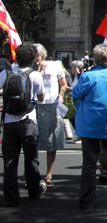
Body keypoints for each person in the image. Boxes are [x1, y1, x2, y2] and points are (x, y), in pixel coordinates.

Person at [72, 44, 107, 210]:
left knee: (89, 164)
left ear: (95, 58)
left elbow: (75, 93)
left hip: (90, 125)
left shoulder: (88, 76)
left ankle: (87, 200)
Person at [1, 43, 47, 207]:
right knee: (31, 158)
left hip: (9, 121)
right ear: (33, 58)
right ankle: (34, 191)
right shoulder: (35, 75)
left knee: (9, 161)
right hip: (28, 122)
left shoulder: (7, 73)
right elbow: (41, 98)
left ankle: (11, 198)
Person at [35, 44, 68, 189]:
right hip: (35, 108)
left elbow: (64, 84)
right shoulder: (30, 69)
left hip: (53, 106)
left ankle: (49, 173)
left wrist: (61, 96)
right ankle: (33, 173)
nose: (35, 59)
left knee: (52, 141)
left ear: (42, 55)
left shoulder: (55, 66)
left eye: (36, 55)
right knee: (33, 141)